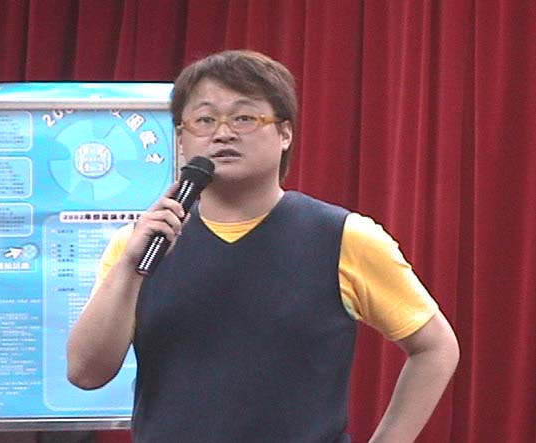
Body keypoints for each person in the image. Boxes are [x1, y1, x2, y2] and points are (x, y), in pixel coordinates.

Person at [67, 50, 460, 443]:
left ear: (285, 133)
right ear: (181, 139)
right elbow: (86, 373)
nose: (223, 133)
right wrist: (129, 268)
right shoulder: (141, 244)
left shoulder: (342, 237)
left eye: (244, 118)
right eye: (204, 120)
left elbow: (436, 347)